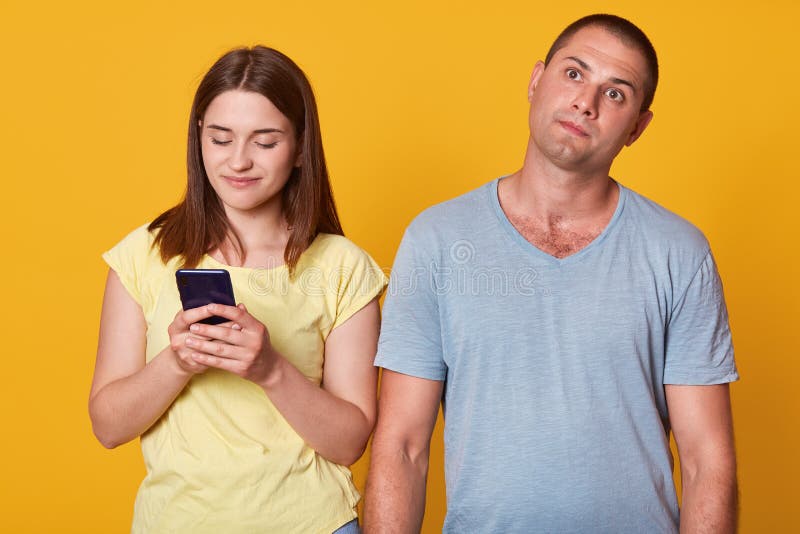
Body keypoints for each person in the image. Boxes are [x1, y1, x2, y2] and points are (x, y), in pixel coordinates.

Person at [365, 14, 738, 533]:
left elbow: (706, 462)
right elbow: (402, 447)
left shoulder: (679, 252)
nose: (586, 101)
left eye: (615, 94)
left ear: (637, 127)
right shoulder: (438, 240)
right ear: (536, 80)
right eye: (574, 74)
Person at [89, 46, 387, 533]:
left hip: (313, 522)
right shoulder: (145, 254)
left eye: (265, 142)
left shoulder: (342, 266)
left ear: (300, 147)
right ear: (198, 138)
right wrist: (178, 361)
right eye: (220, 139)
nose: (239, 161)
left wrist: (269, 369)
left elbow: (350, 441)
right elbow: (108, 426)